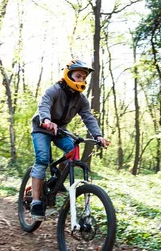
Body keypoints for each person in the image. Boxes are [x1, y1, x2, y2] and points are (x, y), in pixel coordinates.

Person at [30, 59, 109, 221]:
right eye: (78, 76)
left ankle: (56, 182)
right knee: (43, 158)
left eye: (83, 77)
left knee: (73, 150)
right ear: (68, 75)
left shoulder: (81, 100)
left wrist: (98, 136)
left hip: (60, 130)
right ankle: (36, 202)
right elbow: (44, 105)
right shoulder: (54, 90)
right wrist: (46, 120)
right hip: (41, 127)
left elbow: (88, 117)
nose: (81, 80)